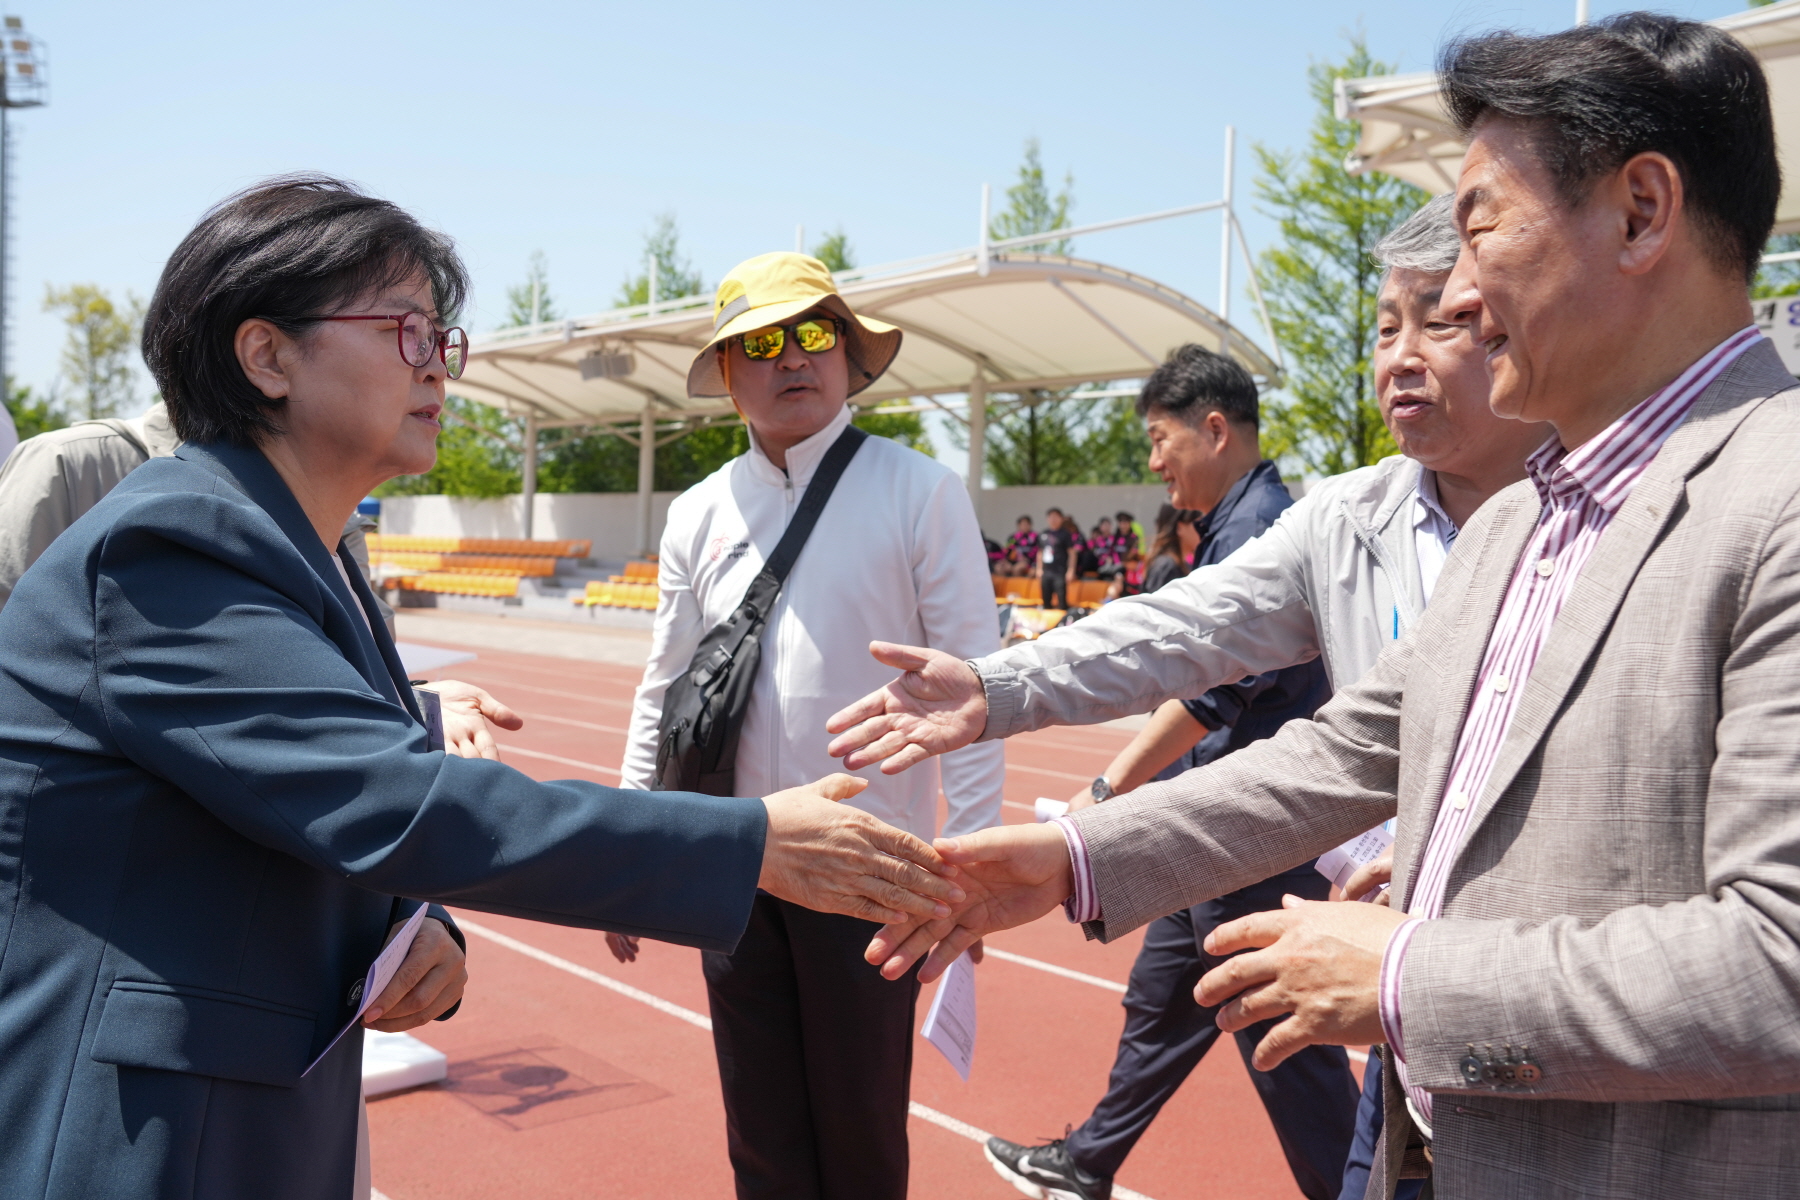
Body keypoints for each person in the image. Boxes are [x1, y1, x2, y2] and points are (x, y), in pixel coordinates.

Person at [840, 15, 1800, 1199]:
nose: (1454, 289)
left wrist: (1404, 978)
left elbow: (1780, 962)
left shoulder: (1780, 498)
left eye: (1480, 224)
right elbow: (1351, 749)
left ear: (1642, 212)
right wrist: (1075, 854)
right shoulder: (1520, 518)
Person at [0, 177, 961, 1200]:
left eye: (441, 338)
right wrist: (753, 842)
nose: (438, 368)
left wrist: (419, 926)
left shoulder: (305, 553)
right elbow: (392, 800)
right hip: (140, 1142)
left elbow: (324, 789)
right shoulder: (173, 546)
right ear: (267, 354)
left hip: (243, 1117)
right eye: (404, 331)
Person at [617, 251, 1004, 1200]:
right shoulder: (698, 511)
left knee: (862, 1129)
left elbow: (982, 687)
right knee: (761, 1131)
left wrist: (978, 858)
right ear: (729, 373)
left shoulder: (920, 490)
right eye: (762, 342)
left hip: (875, 867)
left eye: (815, 332)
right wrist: (629, 841)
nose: (793, 358)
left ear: (847, 353)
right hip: (737, 860)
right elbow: (664, 685)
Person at [980, 346, 1349, 1200]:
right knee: (1162, 1000)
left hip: (1253, 832)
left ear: (1214, 430)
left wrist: (1105, 792)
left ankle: (1371, 1191)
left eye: (1159, 438)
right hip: (1215, 824)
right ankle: (1088, 1163)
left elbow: (1215, 695)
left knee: (1279, 1040)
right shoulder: (1235, 524)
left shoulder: (1260, 531)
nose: (1152, 462)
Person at [1138, 503, 1192, 594]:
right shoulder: (1166, 567)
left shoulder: (1176, 564)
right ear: (1180, 527)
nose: (1203, 527)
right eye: (1198, 521)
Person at [1037, 507, 1075, 607]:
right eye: (1051, 517)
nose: (1053, 519)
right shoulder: (1043, 534)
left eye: (1056, 517)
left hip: (1060, 571)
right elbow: (1040, 552)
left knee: (1061, 599)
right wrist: (1039, 568)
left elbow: (1072, 553)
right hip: (1047, 571)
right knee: (1046, 598)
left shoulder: (1065, 534)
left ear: (1061, 518)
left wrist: (1071, 570)